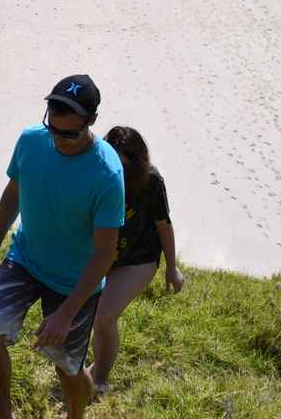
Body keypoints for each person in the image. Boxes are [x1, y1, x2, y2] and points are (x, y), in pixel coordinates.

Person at [0, 75, 124, 419]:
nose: (58, 139)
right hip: (25, 260)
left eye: (69, 134)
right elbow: (13, 193)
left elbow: (105, 254)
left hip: (75, 281)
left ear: (91, 122)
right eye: (52, 128)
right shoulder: (31, 141)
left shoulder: (107, 173)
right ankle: (3, 414)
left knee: (66, 367)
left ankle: (76, 413)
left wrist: (67, 313)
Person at [88, 126, 184, 396]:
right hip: (102, 256)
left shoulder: (151, 181)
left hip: (139, 258)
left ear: (137, 161)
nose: (117, 170)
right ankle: (87, 367)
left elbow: (164, 225)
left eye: (123, 164)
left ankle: (100, 379)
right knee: (90, 316)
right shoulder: (96, 171)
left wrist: (172, 268)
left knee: (104, 315)